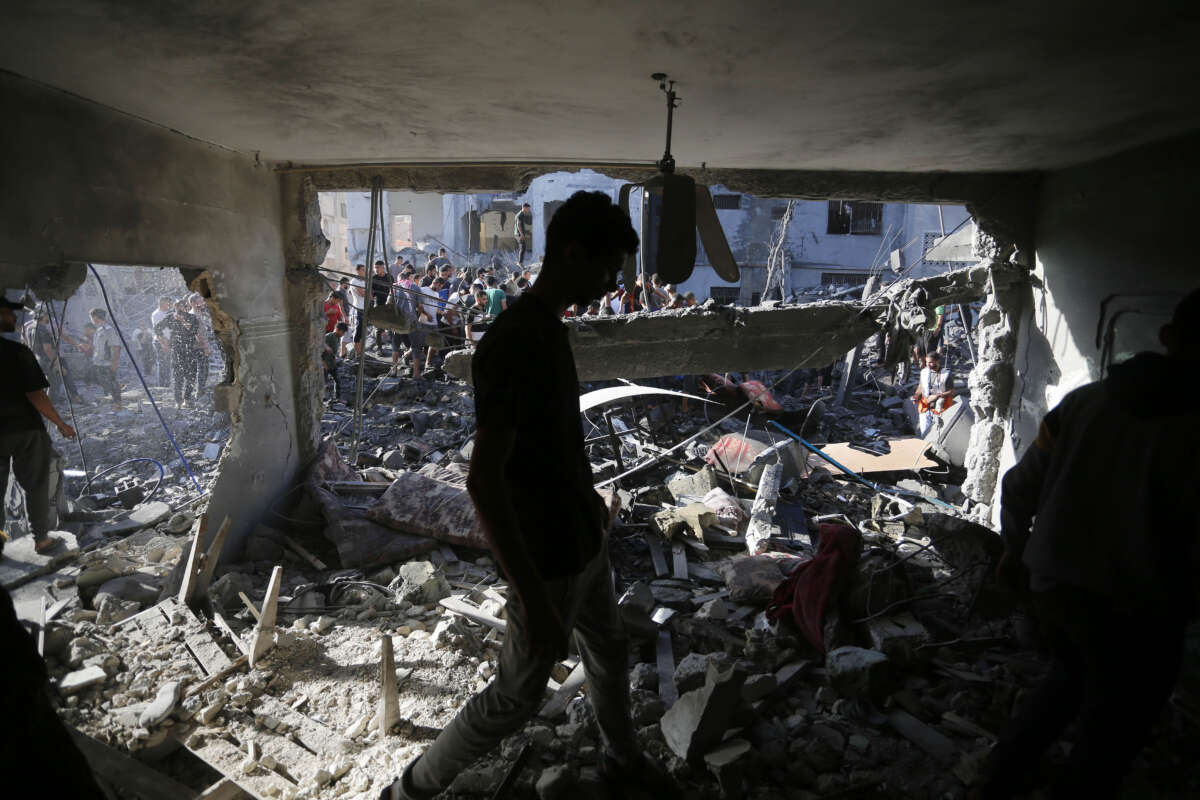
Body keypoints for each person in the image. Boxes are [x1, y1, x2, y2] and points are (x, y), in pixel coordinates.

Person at [378, 190, 676, 800]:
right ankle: (410, 789)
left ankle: (622, 759)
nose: (609, 283)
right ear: (571, 252)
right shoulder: (515, 341)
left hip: (582, 538)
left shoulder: (548, 330)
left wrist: (592, 506)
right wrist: (533, 597)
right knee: (516, 695)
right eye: (605, 268)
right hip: (548, 559)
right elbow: (485, 481)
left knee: (608, 648)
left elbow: (557, 444)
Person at [975, 289, 1200, 800]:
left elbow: (1017, 485)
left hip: (1056, 586)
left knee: (1066, 680)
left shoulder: (1084, 403)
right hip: (1140, 606)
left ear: (1167, 337)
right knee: (1114, 729)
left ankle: (994, 782)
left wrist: (1014, 550)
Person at [0, 297, 77, 556]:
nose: (13, 318)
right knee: (36, 484)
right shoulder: (16, 352)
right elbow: (36, 394)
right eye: (9, 313)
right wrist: (61, 423)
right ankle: (41, 540)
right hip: (24, 430)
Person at [154, 299, 204, 408]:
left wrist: (183, 322)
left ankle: (187, 398)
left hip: (190, 350)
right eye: (177, 307)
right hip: (176, 350)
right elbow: (157, 328)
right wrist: (163, 342)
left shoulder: (192, 318)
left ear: (185, 307)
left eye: (181, 307)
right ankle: (178, 401)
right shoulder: (170, 317)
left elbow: (194, 331)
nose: (179, 309)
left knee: (191, 376)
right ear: (174, 308)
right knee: (178, 376)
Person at [85, 308, 122, 410]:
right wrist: (87, 347)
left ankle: (117, 403)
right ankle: (116, 393)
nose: (91, 319)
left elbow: (116, 347)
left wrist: (114, 363)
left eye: (92, 317)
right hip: (98, 362)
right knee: (93, 378)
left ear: (95, 317)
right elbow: (97, 347)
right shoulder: (99, 330)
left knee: (111, 383)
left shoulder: (108, 330)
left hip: (106, 363)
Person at [911, 350, 955, 437]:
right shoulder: (924, 372)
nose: (928, 364)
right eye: (927, 362)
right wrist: (916, 396)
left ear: (937, 361)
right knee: (925, 432)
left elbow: (951, 391)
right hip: (925, 405)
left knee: (938, 432)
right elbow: (921, 386)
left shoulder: (947, 374)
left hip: (941, 406)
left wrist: (937, 396)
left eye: (931, 362)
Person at [188, 293, 214, 394]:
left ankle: (200, 390)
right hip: (198, 346)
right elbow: (196, 334)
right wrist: (205, 347)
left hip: (201, 345)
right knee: (202, 369)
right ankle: (199, 392)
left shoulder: (200, 313)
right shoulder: (193, 315)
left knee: (204, 369)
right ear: (193, 303)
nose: (203, 303)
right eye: (200, 301)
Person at [370, 260, 393, 353]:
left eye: (377, 267)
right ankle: (379, 347)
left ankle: (394, 345)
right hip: (378, 305)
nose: (376, 269)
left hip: (389, 305)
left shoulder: (389, 277)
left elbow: (393, 290)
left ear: (383, 267)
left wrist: (391, 301)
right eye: (375, 268)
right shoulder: (374, 278)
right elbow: (371, 292)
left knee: (392, 326)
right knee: (379, 328)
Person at [150, 295, 173, 387]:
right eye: (167, 303)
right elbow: (157, 331)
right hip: (160, 341)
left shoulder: (167, 313)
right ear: (161, 303)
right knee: (162, 363)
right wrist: (164, 344)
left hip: (168, 341)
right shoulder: (157, 314)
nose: (169, 305)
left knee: (167, 363)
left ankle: (167, 383)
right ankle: (162, 384)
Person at [323, 321, 348, 402]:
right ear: (337, 329)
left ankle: (337, 398)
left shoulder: (337, 338)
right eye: (342, 332)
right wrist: (323, 362)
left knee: (337, 380)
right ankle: (323, 400)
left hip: (332, 363)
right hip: (325, 364)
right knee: (324, 383)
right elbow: (320, 342)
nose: (343, 334)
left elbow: (334, 350)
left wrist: (337, 357)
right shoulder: (329, 336)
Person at [349, 264, 367, 356]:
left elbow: (370, 295)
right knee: (358, 331)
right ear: (358, 271)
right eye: (363, 270)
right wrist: (367, 292)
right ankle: (358, 353)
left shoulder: (364, 282)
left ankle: (361, 352)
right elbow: (362, 294)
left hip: (365, 309)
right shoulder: (354, 281)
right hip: (358, 309)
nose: (365, 271)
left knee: (363, 332)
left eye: (365, 270)